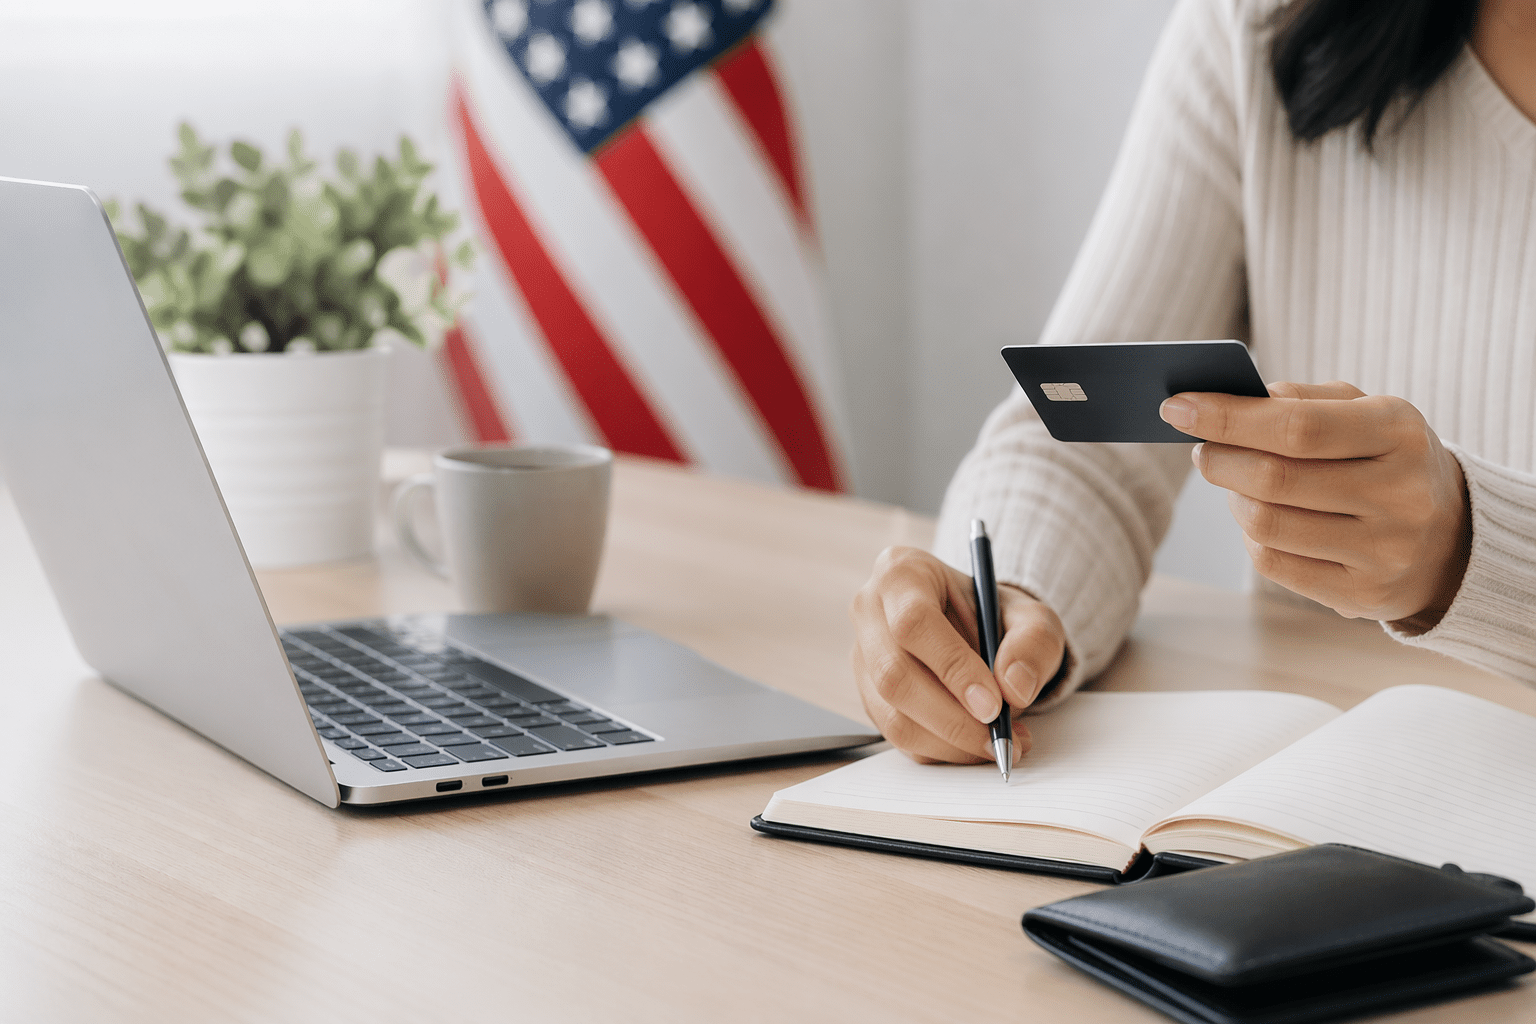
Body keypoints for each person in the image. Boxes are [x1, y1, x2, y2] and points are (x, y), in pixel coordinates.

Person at [852, 0, 1536, 766]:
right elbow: (1080, 435)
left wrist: (1475, 554)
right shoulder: (1261, 25)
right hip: (1319, 794)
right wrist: (1004, 606)